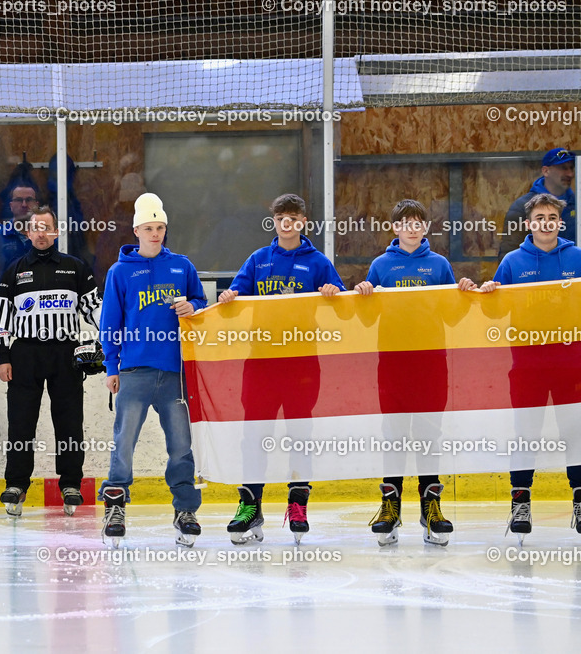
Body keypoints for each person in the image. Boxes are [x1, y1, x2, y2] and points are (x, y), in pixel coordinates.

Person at [218, 193, 343, 545]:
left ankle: (298, 503)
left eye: (293, 217)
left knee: (300, 435)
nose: (286, 223)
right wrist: (229, 297)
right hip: (260, 364)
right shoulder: (258, 260)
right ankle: (249, 505)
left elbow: (344, 305)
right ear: (273, 221)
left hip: (303, 364)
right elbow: (236, 296)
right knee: (254, 437)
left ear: (304, 222)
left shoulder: (318, 262)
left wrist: (334, 291)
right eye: (280, 218)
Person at [354, 199, 476, 546]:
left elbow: (452, 317)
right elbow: (366, 319)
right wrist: (363, 295)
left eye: (417, 222)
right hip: (391, 362)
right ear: (395, 228)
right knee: (393, 434)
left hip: (431, 362)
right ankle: (390, 506)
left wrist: (463, 293)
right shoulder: (380, 266)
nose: (411, 227)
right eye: (405, 222)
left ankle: (430, 507)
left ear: (425, 228)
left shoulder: (439, 265)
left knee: (428, 433)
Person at [470, 193, 581, 541]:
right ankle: (520, 502)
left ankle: (580, 501)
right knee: (525, 435)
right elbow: (493, 311)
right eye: (539, 217)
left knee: (574, 434)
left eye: (552, 217)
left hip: (571, 364)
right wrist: (489, 293)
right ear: (528, 223)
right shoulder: (513, 261)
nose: (546, 223)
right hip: (527, 365)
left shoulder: (576, 257)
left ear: (559, 222)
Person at [99, 193, 206, 548]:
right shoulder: (120, 272)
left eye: (160, 228)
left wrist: (193, 304)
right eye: (149, 228)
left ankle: (185, 510)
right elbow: (110, 323)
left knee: (180, 444)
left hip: (174, 372)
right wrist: (111, 366)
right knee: (124, 442)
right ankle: (115, 506)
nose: (156, 233)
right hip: (134, 372)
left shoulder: (182, 266)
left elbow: (202, 303)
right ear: (136, 230)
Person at [0, 206, 101, 517]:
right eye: (35, 228)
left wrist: (108, 338)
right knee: (21, 422)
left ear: (56, 231)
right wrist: (3, 356)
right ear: (28, 232)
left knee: (69, 421)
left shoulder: (75, 268)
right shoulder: (14, 270)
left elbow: (95, 310)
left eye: (47, 227)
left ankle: (70, 484)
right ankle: (16, 483)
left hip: (64, 354)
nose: (41, 233)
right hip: (24, 355)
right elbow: (2, 320)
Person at [498, 148, 575, 261]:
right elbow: (509, 252)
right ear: (545, 171)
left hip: (573, 274)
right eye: (563, 168)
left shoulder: (576, 204)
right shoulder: (522, 207)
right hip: (535, 276)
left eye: (571, 168)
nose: (570, 174)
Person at [0, 184, 38, 300]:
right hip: (8, 309)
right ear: (11, 206)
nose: (24, 204)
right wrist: (1, 300)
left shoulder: (46, 239)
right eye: (18, 200)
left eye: (29, 200)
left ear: (37, 205)